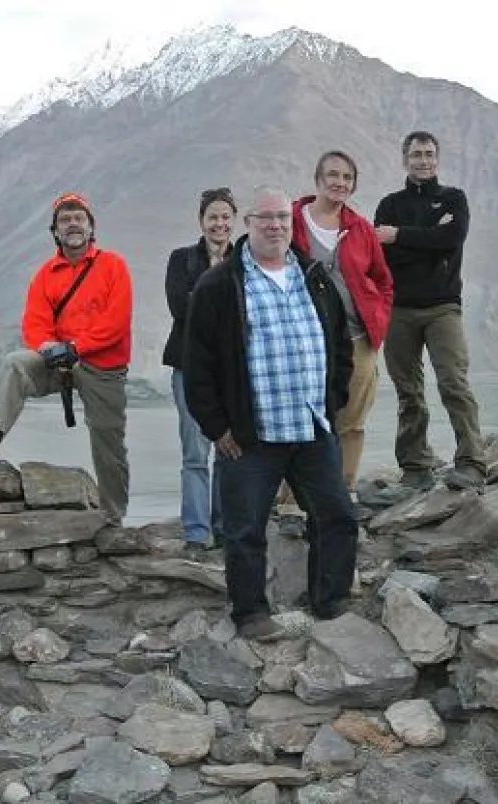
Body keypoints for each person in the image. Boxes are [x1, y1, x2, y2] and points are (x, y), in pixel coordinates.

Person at [183, 185, 358, 641]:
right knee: (244, 529)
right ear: (249, 224)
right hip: (251, 434)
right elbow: (197, 364)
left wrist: (333, 401)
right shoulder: (220, 285)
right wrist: (217, 427)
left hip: (311, 426)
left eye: (282, 217)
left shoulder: (315, 277)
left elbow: (340, 345)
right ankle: (250, 614)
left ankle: (331, 601)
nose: (275, 226)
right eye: (265, 218)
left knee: (337, 516)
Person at [0, 193, 133, 538]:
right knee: (15, 364)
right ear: (55, 231)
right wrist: (47, 347)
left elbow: (116, 322)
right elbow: (34, 324)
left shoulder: (114, 266)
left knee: (109, 442)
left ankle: (114, 519)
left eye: (79, 218)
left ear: (91, 226)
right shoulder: (45, 276)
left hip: (102, 364)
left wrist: (77, 347)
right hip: (59, 361)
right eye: (65, 219)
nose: (73, 224)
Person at [275, 150, 393, 523]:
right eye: (333, 175)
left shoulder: (360, 229)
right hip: (304, 339)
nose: (339, 182)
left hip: (356, 339)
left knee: (351, 421)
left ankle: (343, 494)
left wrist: (378, 318)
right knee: (302, 417)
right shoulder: (291, 220)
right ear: (318, 179)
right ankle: (291, 501)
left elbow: (383, 280)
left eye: (347, 177)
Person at [374, 130, 486, 492]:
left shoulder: (453, 199)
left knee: (453, 381)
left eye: (428, 154)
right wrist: (429, 241)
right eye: (416, 154)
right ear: (404, 160)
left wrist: (400, 236)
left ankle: (471, 462)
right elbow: (383, 256)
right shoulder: (389, 205)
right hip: (399, 310)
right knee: (408, 391)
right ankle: (415, 466)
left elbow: (451, 239)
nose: (422, 160)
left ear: (437, 159)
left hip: (443, 307)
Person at [163, 187, 236, 552]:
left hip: (232, 371)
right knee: (194, 452)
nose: (219, 224)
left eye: (225, 217)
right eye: (213, 217)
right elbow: (179, 307)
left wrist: (203, 301)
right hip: (189, 367)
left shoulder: (245, 259)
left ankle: (223, 529)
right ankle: (195, 532)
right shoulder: (182, 260)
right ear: (201, 221)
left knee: (228, 449)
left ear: (234, 221)